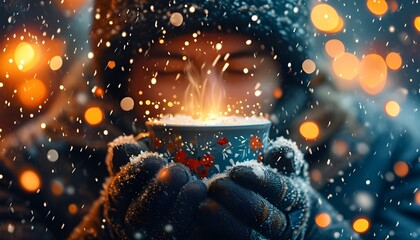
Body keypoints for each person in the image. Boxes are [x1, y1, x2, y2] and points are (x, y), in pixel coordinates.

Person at [0, 0, 418, 239]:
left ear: (286, 78)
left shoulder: (383, 155)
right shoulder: (30, 167)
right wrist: (107, 231)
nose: (205, 95)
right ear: (122, 80)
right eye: (169, 71)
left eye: (239, 71)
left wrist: (312, 227)